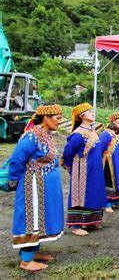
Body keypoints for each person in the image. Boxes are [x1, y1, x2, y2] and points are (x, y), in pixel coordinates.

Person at [7, 105, 64, 271]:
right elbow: (17, 159)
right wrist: (13, 180)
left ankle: (34, 252)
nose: (59, 122)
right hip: (33, 186)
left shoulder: (45, 135)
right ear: (46, 117)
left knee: (42, 219)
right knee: (32, 220)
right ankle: (26, 260)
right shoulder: (32, 137)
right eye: (57, 118)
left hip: (44, 186)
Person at [62, 103, 108, 236]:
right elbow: (68, 153)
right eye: (89, 112)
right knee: (79, 195)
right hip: (82, 169)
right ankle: (76, 225)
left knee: (94, 192)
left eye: (93, 112)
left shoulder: (92, 131)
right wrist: (72, 168)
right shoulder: (78, 134)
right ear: (81, 116)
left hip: (95, 169)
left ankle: (91, 221)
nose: (93, 114)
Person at [101, 112, 119, 213]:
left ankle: (117, 202)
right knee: (110, 181)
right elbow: (100, 148)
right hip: (110, 162)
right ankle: (107, 203)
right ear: (113, 121)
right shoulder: (106, 134)